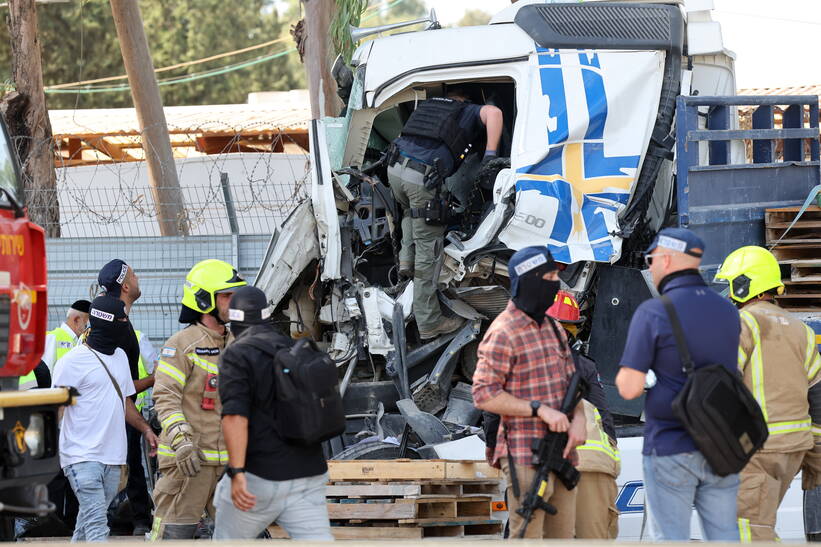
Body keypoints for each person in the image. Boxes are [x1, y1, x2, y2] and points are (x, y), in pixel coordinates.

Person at [616, 228, 741, 541]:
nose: (651, 267)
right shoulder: (728, 311)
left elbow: (629, 389)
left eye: (652, 260)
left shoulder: (654, 312)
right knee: (725, 534)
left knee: (671, 538)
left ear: (667, 259)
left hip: (670, 447)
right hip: (721, 445)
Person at [472, 246, 586, 539]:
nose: (554, 284)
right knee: (527, 534)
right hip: (525, 453)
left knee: (563, 536)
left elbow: (573, 381)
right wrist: (539, 409)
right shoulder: (503, 332)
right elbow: (484, 394)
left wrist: (579, 420)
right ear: (529, 280)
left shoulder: (553, 328)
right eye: (548, 276)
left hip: (564, 454)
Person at [714, 245, 821, 541]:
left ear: (744, 284)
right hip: (794, 447)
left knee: (749, 529)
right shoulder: (802, 331)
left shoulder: (742, 322)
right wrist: (816, 452)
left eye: (731, 284)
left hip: (758, 446)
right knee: (760, 520)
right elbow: (818, 395)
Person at [213, 286, 332, 540]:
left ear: (234, 321)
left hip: (261, 477)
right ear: (267, 315)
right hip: (308, 474)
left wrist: (237, 472)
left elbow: (235, 417)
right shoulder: (296, 349)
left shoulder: (237, 355)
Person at [389, 88, 503, 340]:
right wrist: (490, 156)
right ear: (465, 98)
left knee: (412, 211)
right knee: (428, 253)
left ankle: (406, 259)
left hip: (395, 169)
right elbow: (494, 113)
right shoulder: (467, 110)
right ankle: (429, 321)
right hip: (421, 177)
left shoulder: (429, 108)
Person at [150, 259, 246, 540]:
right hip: (188, 464)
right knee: (173, 537)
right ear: (205, 300)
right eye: (227, 295)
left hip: (228, 466)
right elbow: (165, 398)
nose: (234, 301)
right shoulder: (181, 345)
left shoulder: (237, 344)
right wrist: (182, 441)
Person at [52, 296, 158, 542]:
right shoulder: (72, 361)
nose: (126, 324)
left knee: (88, 520)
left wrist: (145, 429)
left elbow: (124, 402)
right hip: (81, 456)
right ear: (107, 322)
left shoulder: (120, 357)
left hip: (113, 457)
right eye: (122, 319)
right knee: (99, 524)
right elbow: (57, 406)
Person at [547, 291, 620, 539]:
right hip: (593, 464)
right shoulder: (586, 367)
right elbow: (604, 417)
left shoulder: (521, 361)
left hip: (543, 464)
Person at [98, 259, 155, 535]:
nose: (138, 276)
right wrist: (160, 376)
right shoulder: (117, 327)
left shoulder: (119, 321)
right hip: (116, 412)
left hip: (122, 409)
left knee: (128, 465)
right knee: (124, 467)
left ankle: (136, 518)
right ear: (126, 285)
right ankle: (133, 520)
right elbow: (122, 387)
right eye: (134, 273)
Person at [19, 300, 90, 390]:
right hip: (51, 396)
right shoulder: (52, 338)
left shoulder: (78, 342)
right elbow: (44, 374)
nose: (87, 329)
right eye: (86, 324)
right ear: (77, 320)